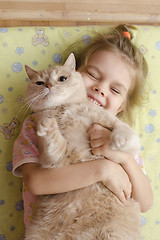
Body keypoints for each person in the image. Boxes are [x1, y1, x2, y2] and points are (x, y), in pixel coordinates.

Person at [13, 25, 153, 229]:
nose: (100, 88)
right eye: (93, 75)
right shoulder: (38, 122)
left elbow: (145, 203)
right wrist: (104, 170)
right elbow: (36, 182)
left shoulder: (120, 135)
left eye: (115, 89)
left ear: (121, 105)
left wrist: (123, 157)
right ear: (73, 72)